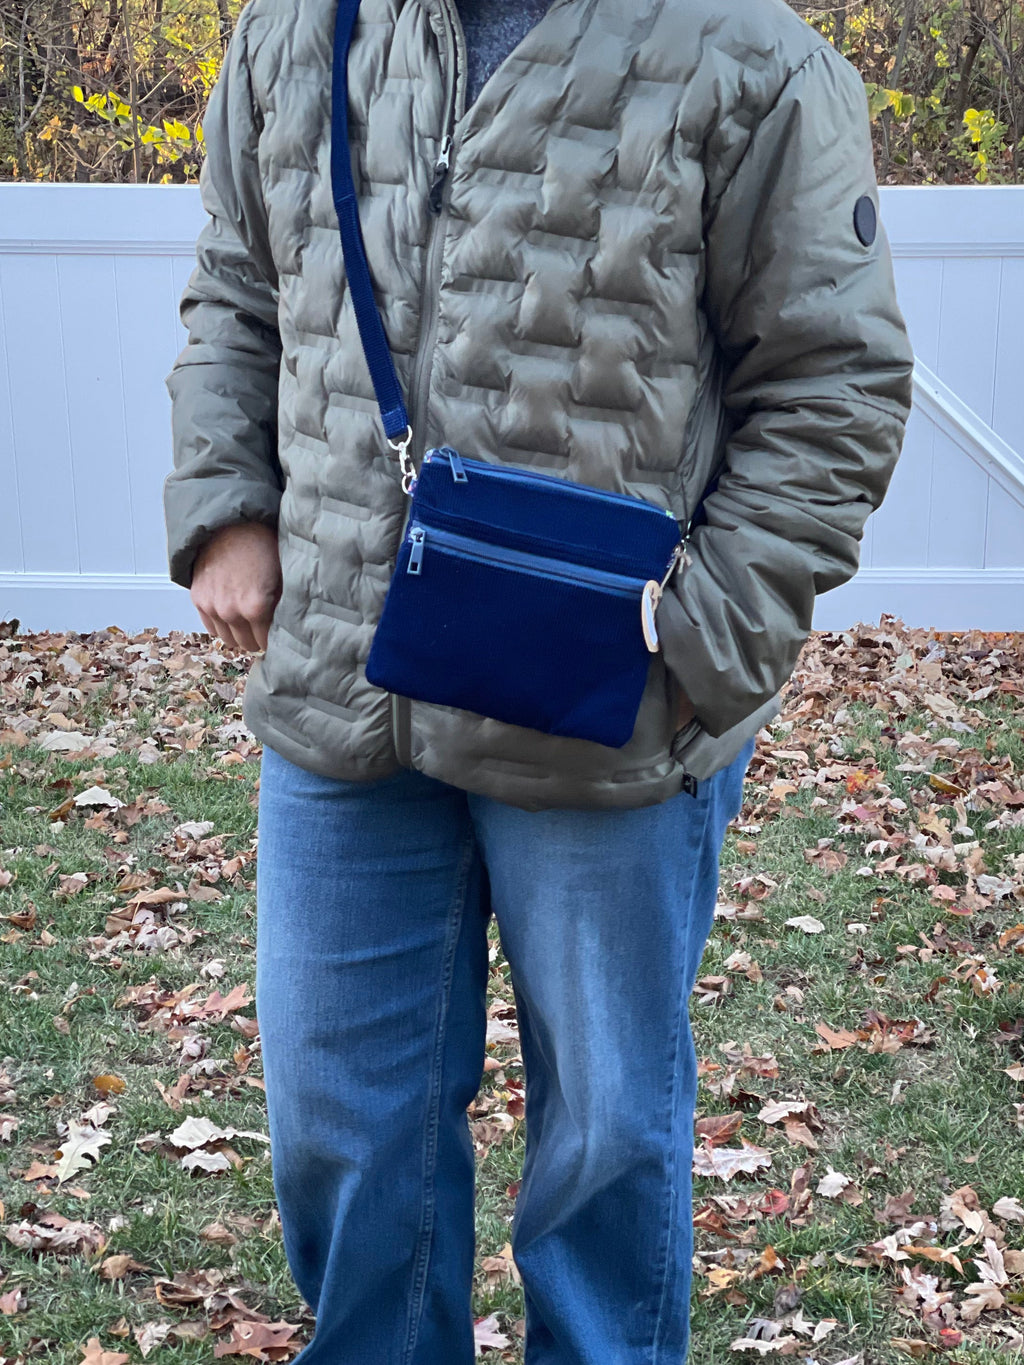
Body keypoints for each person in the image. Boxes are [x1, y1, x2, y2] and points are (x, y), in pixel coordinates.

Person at [162, 0, 915, 1357]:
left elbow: (834, 380)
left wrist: (701, 646)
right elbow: (237, 286)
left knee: (607, 1136)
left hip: (606, 706)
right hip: (342, 690)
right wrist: (226, 508)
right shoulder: (293, 29)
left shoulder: (748, 55)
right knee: (341, 1123)